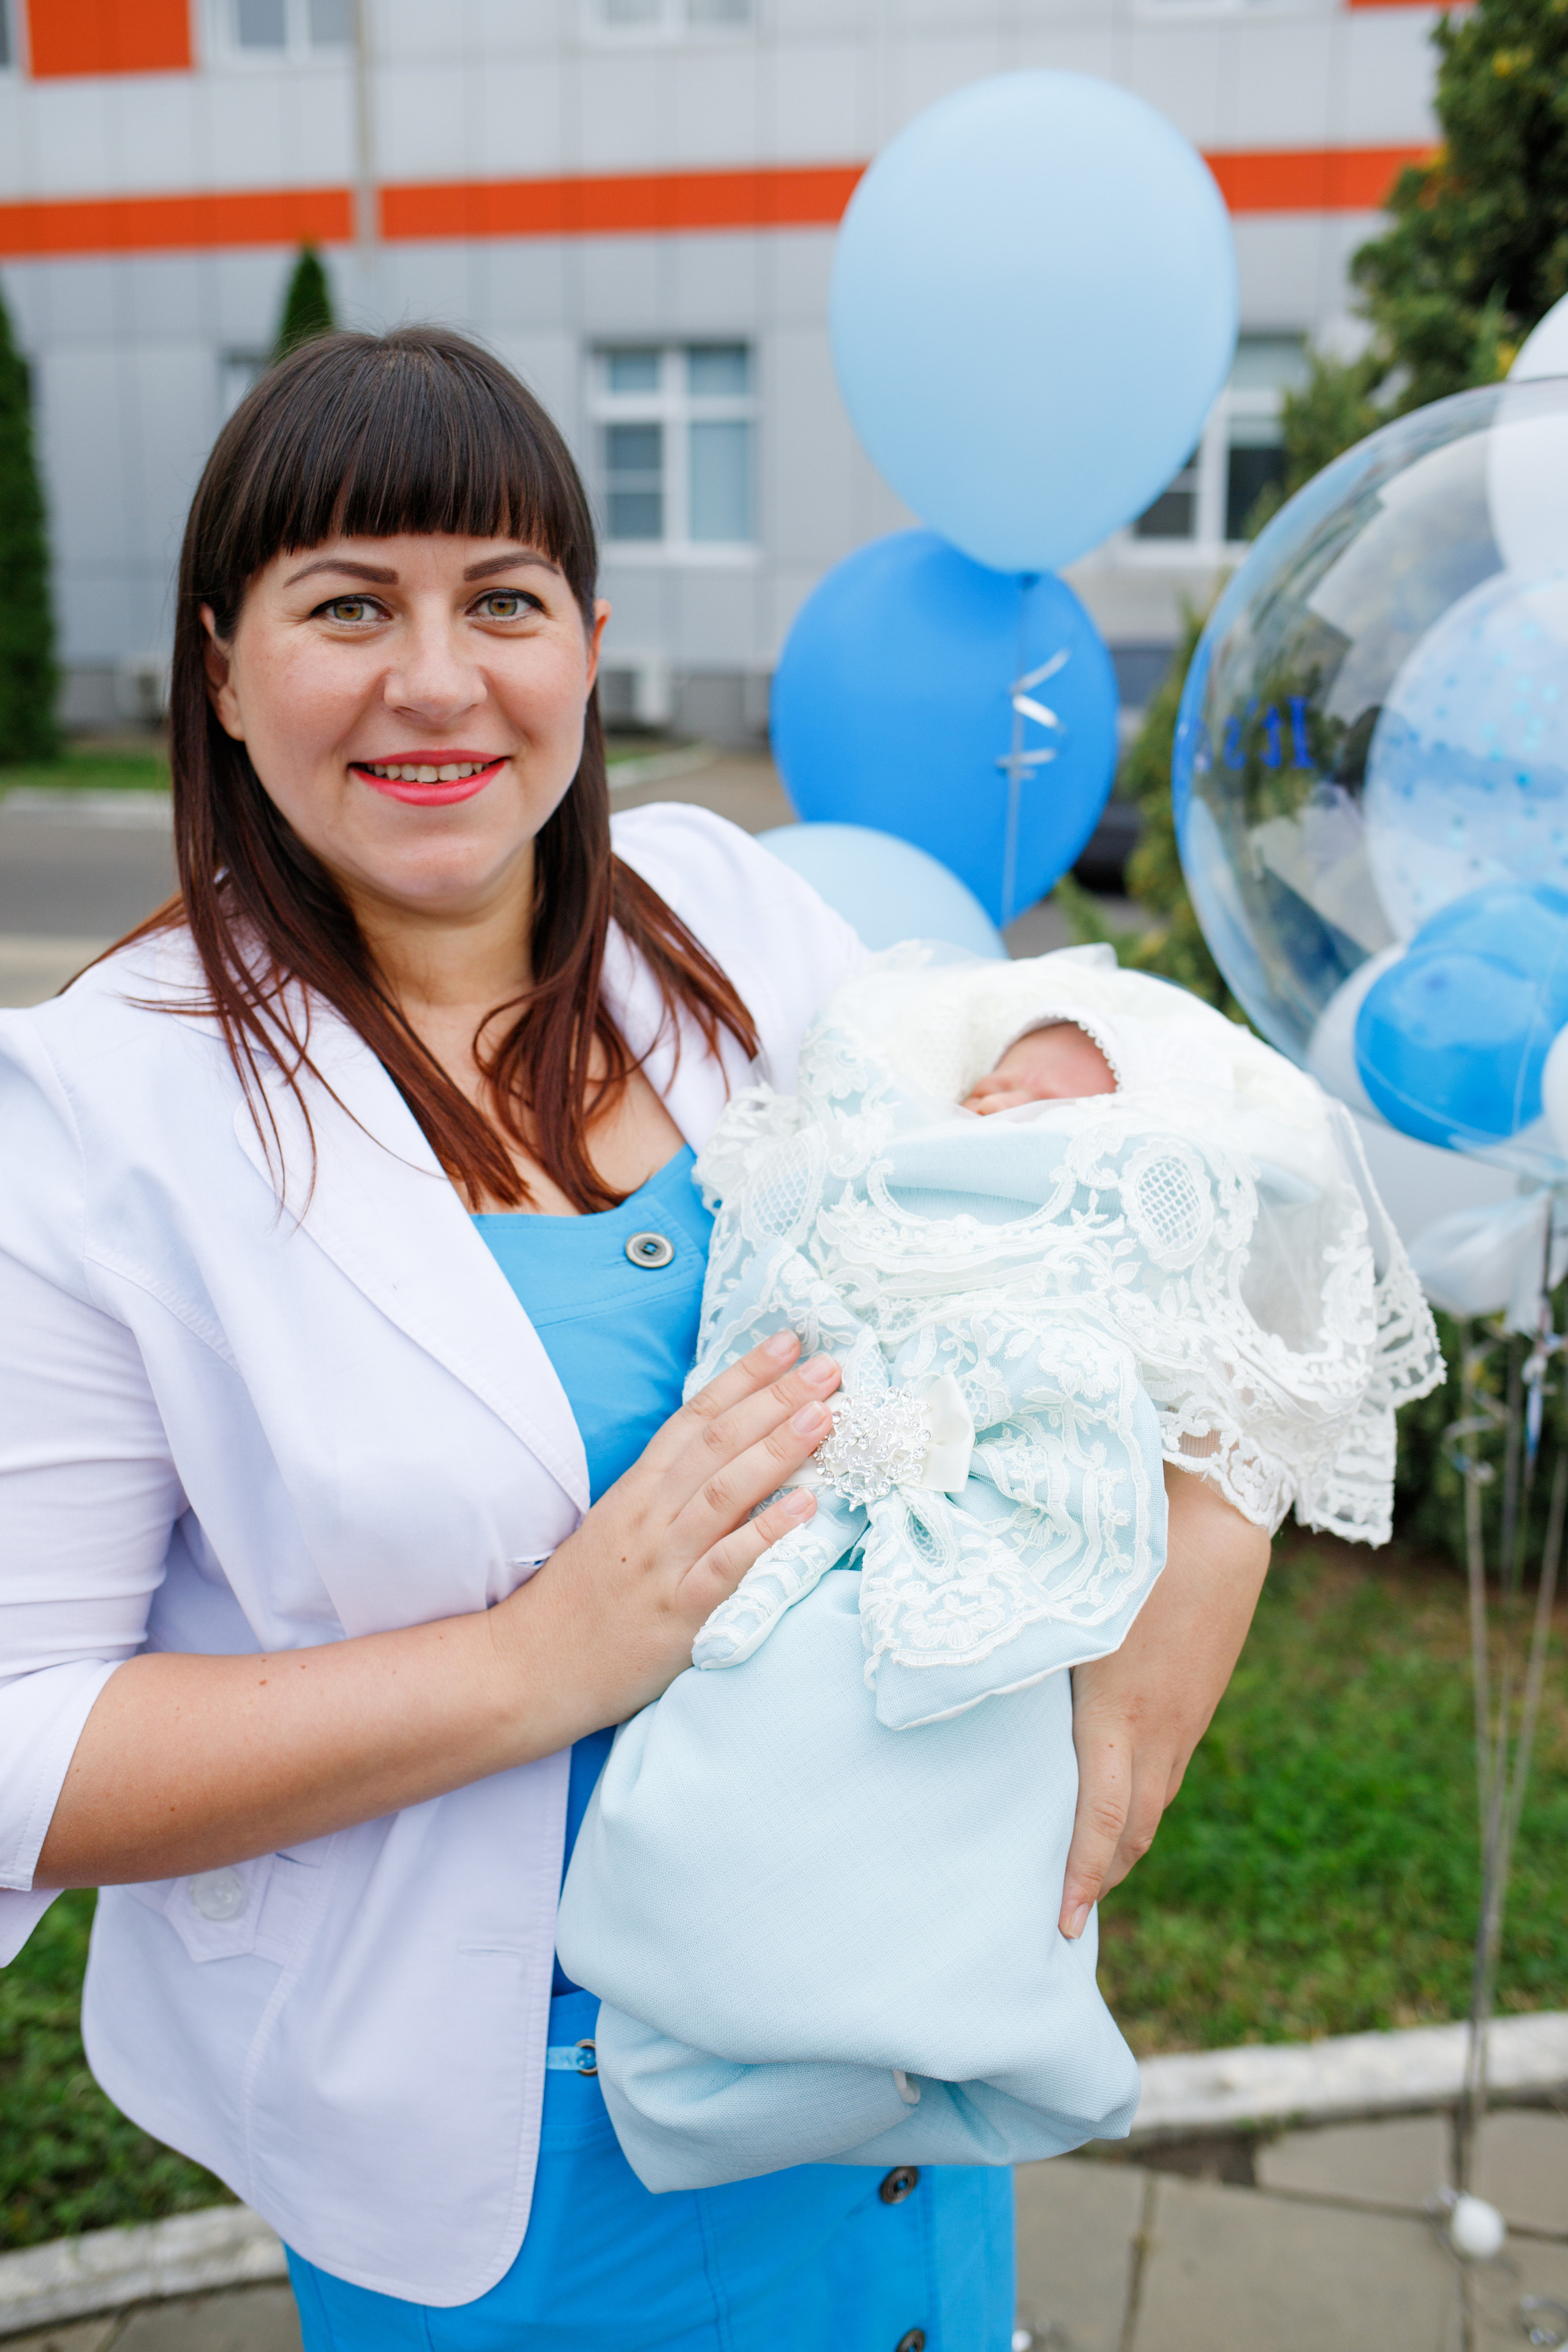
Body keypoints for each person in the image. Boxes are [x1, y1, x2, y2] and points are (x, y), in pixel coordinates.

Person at [0, 327, 1271, 2352]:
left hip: (899, 2063)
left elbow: (1100, 1131)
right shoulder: (93, 1119)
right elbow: (25, 1742)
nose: (439, 679)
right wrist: (534, 1664)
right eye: (350, 605)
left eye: (500, 601)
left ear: (585, 646)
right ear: (224, 668)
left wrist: (1216, 1522)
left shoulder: (722, 916)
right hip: (524, 2169)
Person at [556, 946, 1444, 2193]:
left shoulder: (1124, 1210)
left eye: (1044, 1097)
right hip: (818, 1524)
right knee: (762, 1726)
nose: (994, 1108)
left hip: (998, 1558)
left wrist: (1215, 1528)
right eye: (993, 1083)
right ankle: (704, 1999)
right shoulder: (857, 1100)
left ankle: (925, 2020)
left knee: (983, 1767)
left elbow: (1160, 1368)